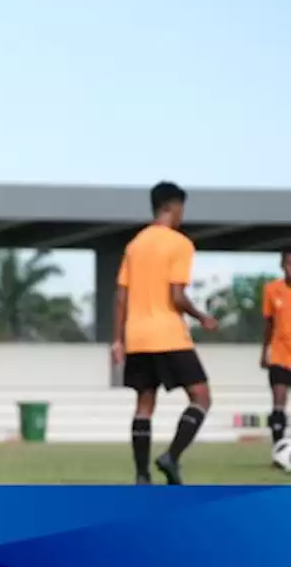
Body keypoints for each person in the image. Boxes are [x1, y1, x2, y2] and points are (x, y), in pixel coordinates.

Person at [111, 181, 218, 485]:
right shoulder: (179, 243)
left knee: (144, 405)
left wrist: (117, 339)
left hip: (137, 337)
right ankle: (171, 456)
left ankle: (142, 475)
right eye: (182, 208)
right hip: (168, 334)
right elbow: (176, 295)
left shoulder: (135, 245)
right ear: (172, 207)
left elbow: (121, 297)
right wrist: (201, 316)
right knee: (201, 397)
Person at [260, 251, 291, 447]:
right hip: (280, 354)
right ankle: (278, 450)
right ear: (282, 266)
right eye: (289, 263)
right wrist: (264, 351)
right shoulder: (272, 289)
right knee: (278, 401)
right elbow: (268, 324)